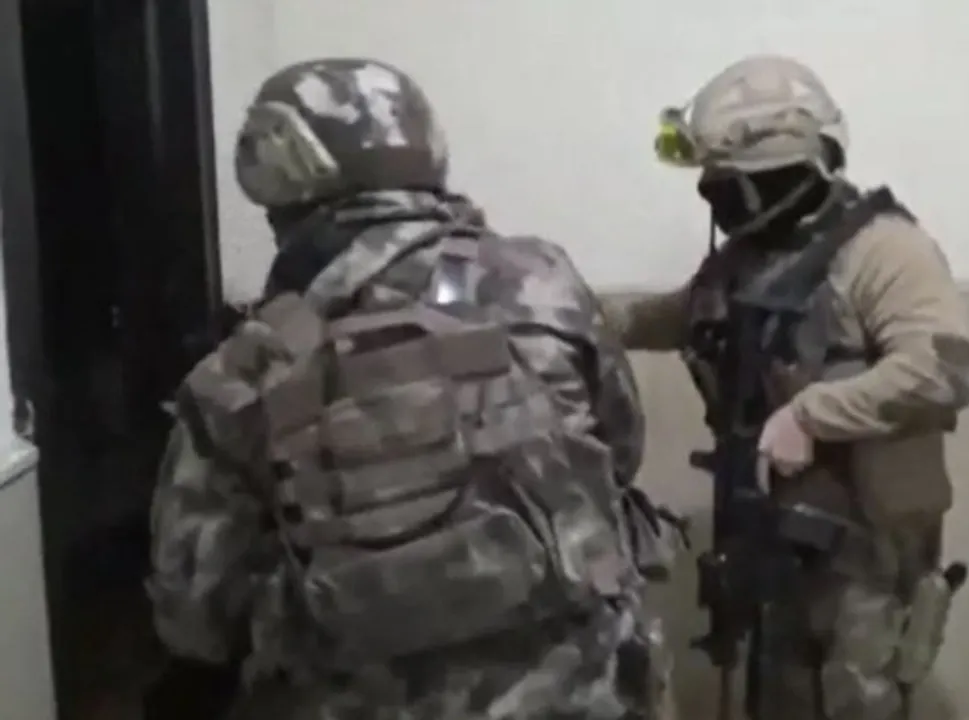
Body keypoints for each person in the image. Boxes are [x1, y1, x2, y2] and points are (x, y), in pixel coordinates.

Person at [147, 58, 675, 719]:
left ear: (272, 175)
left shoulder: (241, 374)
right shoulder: (542, 282)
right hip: (587, 696)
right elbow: (621, 449)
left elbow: (195, 615)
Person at [602, 55, 969, 720]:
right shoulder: (753, 256)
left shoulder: (885, 250)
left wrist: (811, 414)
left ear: (777, 176)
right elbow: (682, 313)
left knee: (853, 704)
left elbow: (943, 371)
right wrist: (573, 314)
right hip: (776, 542)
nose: (715, 201)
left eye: (727, 185)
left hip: (865, 556)